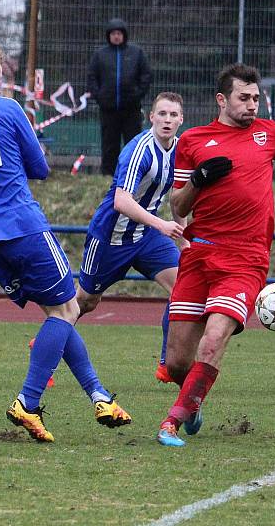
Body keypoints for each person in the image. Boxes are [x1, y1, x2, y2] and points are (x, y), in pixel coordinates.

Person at [0, 40, 131, 443]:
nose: (1, 85)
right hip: (22, 222)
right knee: (67, 309)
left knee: (57, 310)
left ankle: (100, 396)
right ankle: (28, 402)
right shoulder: (7, 109)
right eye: (0, 78)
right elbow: (39, 167)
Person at [156, 63, 275, 447]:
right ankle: (194, 399)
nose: (252, 105)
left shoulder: (269, 133)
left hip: (245, 259)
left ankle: (172, 421)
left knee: (215, 337)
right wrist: (198, 180)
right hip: (200, 254)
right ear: (223, 100)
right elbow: (177, 207)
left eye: (256, 98)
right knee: (175, 362)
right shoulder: (193, 141)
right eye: (244, 98)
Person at [77, 91, 186, 384]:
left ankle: (167, 365)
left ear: (181, 120)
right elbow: (121, 201)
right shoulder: (139, 150)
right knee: (85, 302)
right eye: (161, 114)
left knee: (183, 289)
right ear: (151, 117)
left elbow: (178, 198)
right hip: (110, 238)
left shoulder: (180, 150)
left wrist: (184, 235)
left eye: (173, 115)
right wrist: (162, 225)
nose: (167, 120)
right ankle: (46, 345)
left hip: (148, 236)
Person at [87, 18, 152, 176]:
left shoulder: (136, 53)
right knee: (110, 144)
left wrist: (137, 95)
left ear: (124, 35)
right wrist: (100, 97)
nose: (116, 36)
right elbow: (92, 77)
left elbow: (146, 76)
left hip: (131, 109)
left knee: (133, 143)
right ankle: (108, 175)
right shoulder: (100, 55)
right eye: (113, 33)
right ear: (108, 35)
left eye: (119, 33)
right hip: (108, 109)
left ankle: (134, 173)